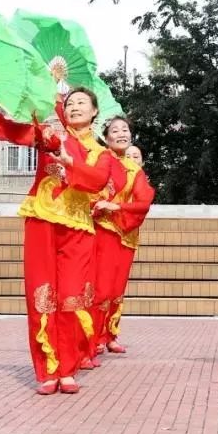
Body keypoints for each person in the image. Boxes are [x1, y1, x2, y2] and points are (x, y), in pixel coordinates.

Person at [0, 85, 115, 395]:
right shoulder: (50, 135)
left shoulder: (101, 153)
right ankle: (48, 369)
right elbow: (9, 130)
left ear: (94, 112)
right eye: (70, 103)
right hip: (41, 220)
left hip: (77, 228)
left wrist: (69, 162)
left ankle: (68, 367)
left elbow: (98, 180)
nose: (75, 107)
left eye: (82, 103)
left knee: (73, 298)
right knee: (42, 296)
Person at [89, 125, 155, 359]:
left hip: (125, 234)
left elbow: (144, 201)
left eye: (125, 130)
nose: (121, 134)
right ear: (105, 138)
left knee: (116, 289)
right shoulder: (98, 159)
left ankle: (109, 335)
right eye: (115, 131)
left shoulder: (133, 170)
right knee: (101, 287)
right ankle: (93, 338)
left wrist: (117, 206)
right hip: (101, 230)